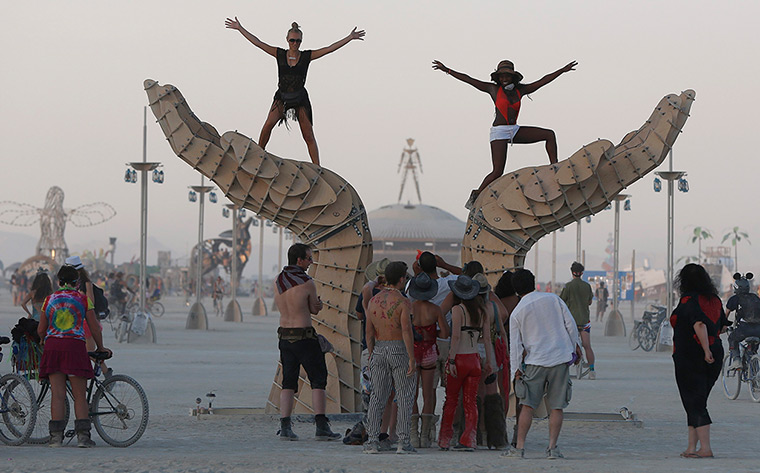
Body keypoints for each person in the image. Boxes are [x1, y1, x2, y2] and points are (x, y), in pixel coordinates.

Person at [432, 58, 577, 209]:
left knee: (549, 134)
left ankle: (554, 168)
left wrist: (562, 70)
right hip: (499, 132)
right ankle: (476, 195)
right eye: (501, 76)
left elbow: (542, 81)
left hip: (514, 130)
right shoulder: (493, 89)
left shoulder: (521, 90)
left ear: (513, 77)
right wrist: (447, 70)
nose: (504, 79)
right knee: (497, 172)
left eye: (507, 76)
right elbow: (469, 80)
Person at [225, 18, 365, 166]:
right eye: (292, 40)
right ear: (287, 40)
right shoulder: (279, 53)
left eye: (298, 41)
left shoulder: (306, 56)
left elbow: (329, 49)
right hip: (282, 97)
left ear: (301, 41)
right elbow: (259, 43)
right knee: (268, 124)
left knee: (308, 135)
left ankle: (318, 167)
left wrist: (350, 37)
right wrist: (240, 28)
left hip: (300, 98)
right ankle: (260, 153)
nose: (295, 44)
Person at [505, 269, 581, 460]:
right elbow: (570, 325)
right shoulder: (553, 299)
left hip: (535, 362)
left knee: (528, 406)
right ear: (534, 282)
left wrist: (516, 370)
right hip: (559, 359)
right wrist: (574, 348)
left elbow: (515, 346)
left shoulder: (517, 312)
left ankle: (519, 448)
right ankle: (552, 448)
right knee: (556, 407)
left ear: (516, 290)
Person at [37, 264, 111, 448]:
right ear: (77, 282)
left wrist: (42, 340)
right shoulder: (83, 299)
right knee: (79, 395)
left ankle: (55, 438)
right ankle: (83, 438)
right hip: (75, 347)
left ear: (59, 281)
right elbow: (94, 327)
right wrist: (101, 346)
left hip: (53, 347)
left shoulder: (49, 300)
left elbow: (41, 329)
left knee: (57, 395)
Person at [273, 243, 341, 441]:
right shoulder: (307, 282)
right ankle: (321, 426)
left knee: (288, 382)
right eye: (309, 258)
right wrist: (317, 305)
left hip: (284, 336)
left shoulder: (278, 280)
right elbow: (313, 309)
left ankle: (285, 426)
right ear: (299, 260)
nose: (311, 262)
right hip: (304, 336)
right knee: (318, 380)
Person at [670, 264, 729, 459]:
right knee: (696, 401)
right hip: (716, 353)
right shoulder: (714, 300)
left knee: (694, 402)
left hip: (691, 356)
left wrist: (705, 350)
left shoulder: (688, 301)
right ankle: (690, 448)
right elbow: (721, 327)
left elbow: (699, 324)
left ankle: (705, 448)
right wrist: (710, 349)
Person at [363, 261, 417, 454]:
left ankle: (372, 440)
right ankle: (403, 442)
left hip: (378, 348)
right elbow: (406, 331)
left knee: (378, 396)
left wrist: (371, 354)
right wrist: (411, 357)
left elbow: (369, 332)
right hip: (398, 349)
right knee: (404, 396)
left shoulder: (373, 301)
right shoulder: (403, 302)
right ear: (402, 279)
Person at [438, 275, 494, 451]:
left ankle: (445, 439)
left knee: (451, 400)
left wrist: (452, 359)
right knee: (471, 401)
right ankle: (469, 439)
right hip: (475, 360)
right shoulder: (482, 311)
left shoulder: (457, 310)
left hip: (460, 358)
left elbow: (455, 337)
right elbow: (487, 339)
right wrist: (490, 362)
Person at [408, 272, 449, 448]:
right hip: (430, 351)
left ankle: (413, 435)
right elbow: (445, 333)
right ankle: (425, 436)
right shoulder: (435, 310)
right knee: (428, 393)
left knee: (412, 394)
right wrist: (433, 333)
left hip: (412, 350)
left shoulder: (409, 307)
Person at [560, 262, 596, 379]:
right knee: (587, 346)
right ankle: (592, 370)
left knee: (566, 345)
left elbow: (561, 301)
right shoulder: (587, 286)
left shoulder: (568, 286)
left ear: (572, 272)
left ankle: (564, 369)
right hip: (585, 320)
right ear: (582, 273)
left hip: (571, 321)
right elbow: (590, 301)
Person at [725, 272, 760, 369]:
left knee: (732, 339)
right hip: (758, 330)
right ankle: (753, 361)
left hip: (744, 329)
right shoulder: (755, 297)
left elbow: (726, 315)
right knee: (752, 349)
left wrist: (723, 326)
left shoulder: (735, 299)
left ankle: (736, 360)